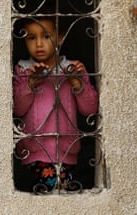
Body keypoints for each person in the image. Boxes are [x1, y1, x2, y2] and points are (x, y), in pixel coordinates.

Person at [13, 17, 99, 192]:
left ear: (59, 37)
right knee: (54, 188)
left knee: (61, 193)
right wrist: (30, 84)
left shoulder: (72, 69)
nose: (39, 44)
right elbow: (17, 109)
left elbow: (90, 109)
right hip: (36, 151)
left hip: (67, 151)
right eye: (31, 38)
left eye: (46, 36)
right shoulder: (23, 70)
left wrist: (77, 83)